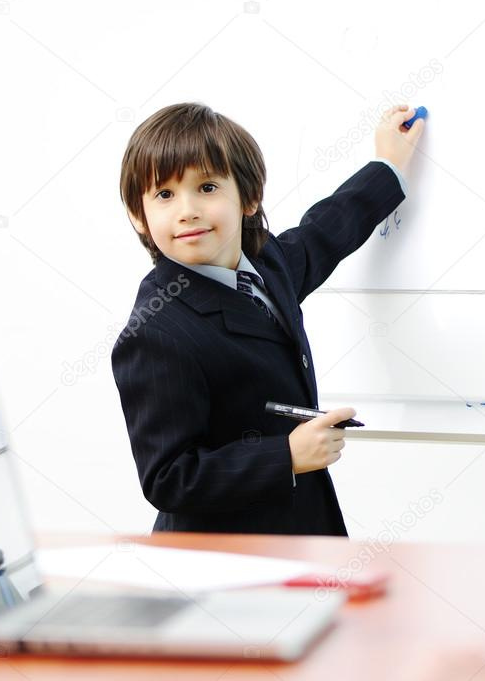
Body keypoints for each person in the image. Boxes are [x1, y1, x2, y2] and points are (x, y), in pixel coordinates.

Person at [112, 101, 425, 534]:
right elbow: (168, 477)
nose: (187, 210)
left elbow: (325, 233)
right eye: (164, 194)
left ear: (249, 197)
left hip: (301, 527)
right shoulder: (155, 332)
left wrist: (387, 164)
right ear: (138, 215)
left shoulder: (265, 264)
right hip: (225, 558)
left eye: (207, 187)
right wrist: (287, 456)